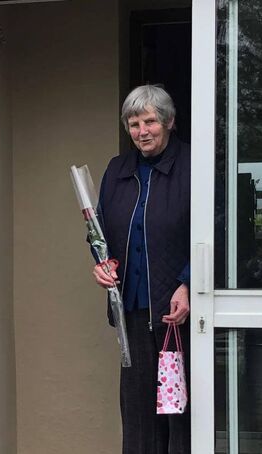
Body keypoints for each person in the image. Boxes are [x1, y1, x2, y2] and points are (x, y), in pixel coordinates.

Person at [92, 85, 191, 453]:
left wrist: (188, 283)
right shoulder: (117, 169)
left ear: (169, 122)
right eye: (134, 124)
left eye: (150, 122)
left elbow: (218, 231)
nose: (142, 131)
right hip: (132, 311)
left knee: (178, 410)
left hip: (176, 314)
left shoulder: (192, 166)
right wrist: (101, 264)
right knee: (137, 411)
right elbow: (98, 230)